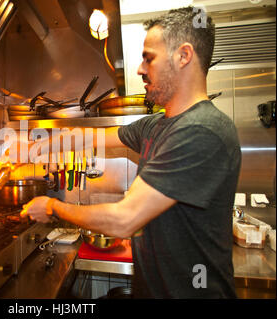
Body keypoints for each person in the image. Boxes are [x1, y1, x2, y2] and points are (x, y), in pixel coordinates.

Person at [19, 6, 241, 298]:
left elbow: (124, 220)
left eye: (149, 58)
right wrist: (46, 144)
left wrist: (52, 207)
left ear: (184, 56)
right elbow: (97, 138)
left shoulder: (202, 131)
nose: (139, 69)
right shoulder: (157, 125)